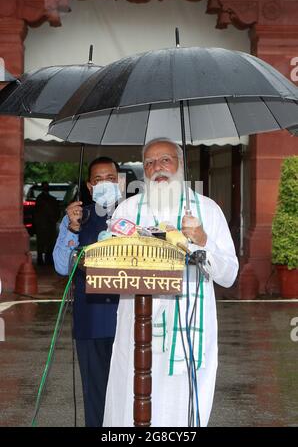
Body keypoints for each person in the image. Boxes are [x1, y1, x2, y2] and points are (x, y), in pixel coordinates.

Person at [103, 138, 239, 427]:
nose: (157, 168)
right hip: (138, 329)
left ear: (180, 164)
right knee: (131, 407)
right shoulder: (126, 210)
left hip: (189, 332)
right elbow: (109, 263)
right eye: (149, 162)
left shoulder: (207, 210)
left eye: (165, 160)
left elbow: (229, 275)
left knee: (181, 409)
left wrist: (203, 240)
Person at [53, 157, 122, 427]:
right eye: (98, 180)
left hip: (128, 319)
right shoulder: (77, 217)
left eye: (111, 178)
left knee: (132, 393)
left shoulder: (134, 215)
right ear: (89, 187)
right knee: (96, 397)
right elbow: (61, 267)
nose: (105, 183)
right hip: (90, 320)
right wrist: (73, 228)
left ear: (120, 182)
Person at [34, 181, 60, 266]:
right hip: (43, 224)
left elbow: (56, 211)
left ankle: (46, 259)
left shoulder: (49, 199)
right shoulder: (41, 199)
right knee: (42, 242)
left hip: (48, 224)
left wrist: (54, 219)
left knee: (49, 242)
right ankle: (42, 259)